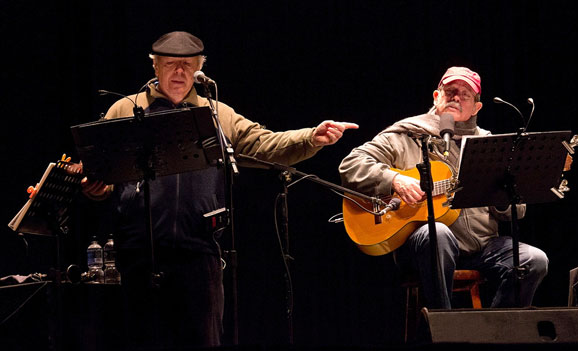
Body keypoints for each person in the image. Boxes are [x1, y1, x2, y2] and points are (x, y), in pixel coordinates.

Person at [81, 31, 358, 350]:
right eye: (171, 64)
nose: (180, 72)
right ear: (155, 67)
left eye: (188, 65)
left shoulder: (216, 113)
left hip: (198, 252)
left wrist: (312, 137)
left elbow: (261, 144)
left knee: (202, 339)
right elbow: (100, 177)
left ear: (199, 69)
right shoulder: (125, 110)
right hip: (139, 252)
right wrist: (95, 188)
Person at [338, 66, 548, 309]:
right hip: (423, 246)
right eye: (449, 91)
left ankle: (495, 332)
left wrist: (499, 194)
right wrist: (395, 180)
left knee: (534, 260)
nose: (456, 97)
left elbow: (516, 210)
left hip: (481, 245)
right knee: (438, 233)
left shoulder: (488, 145)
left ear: (477, 107)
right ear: (436, 97)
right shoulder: (406, 134)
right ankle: (443, 328)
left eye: (465, 94)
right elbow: (351, 165)